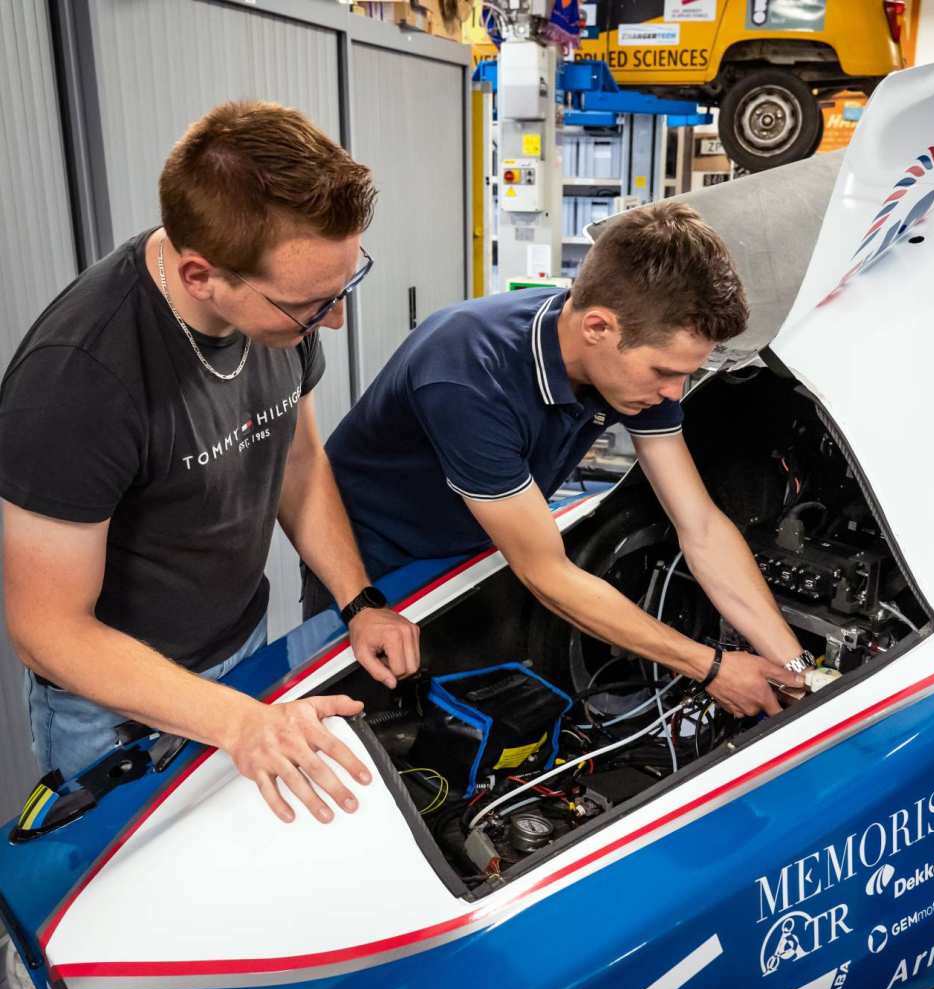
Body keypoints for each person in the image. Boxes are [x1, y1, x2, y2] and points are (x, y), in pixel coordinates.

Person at [0, 100, 419, 828]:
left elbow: (297, 459)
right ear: (200, 276)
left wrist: (359, 600)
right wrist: (238, 724)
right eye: (312, 307)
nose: (335, 321)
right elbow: (48, 629)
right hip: (115, 711)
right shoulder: (77, 380)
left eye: (341, 291)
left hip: (244, 649)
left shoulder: (283, 313)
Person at [303, 201, 812, 717]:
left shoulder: (626, 364)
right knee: (387, 724)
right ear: (597, 327)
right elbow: (546, 573)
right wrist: (710, 668)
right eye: (663, 371)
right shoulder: (467, 374)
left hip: (480, 548)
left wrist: (799, 670)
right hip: (374, 564)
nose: (674, 393)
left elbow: (698, 523)